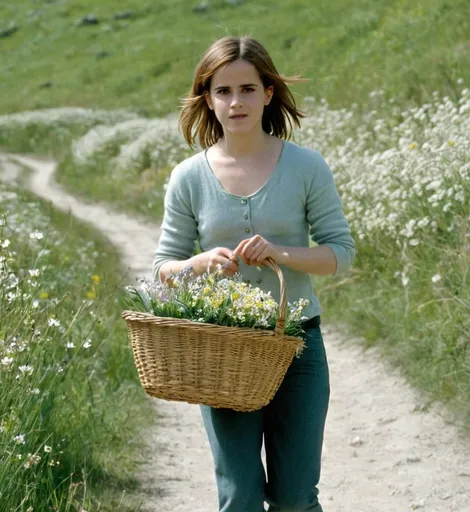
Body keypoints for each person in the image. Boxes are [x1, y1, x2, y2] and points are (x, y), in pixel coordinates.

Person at [152, 35, 355, 512]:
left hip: (298, 347)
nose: (235, 101)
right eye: (222, 91)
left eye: (247, 89)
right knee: (239, 497)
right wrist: (199, 264)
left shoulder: (307, 166)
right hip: (222, 352)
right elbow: (163, 268)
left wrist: (282, 252)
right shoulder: (188, 177)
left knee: (294, 498)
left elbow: (339, 254)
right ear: (207, 98)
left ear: (268, 93)